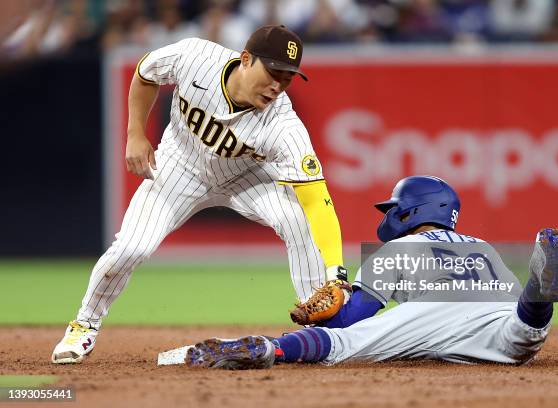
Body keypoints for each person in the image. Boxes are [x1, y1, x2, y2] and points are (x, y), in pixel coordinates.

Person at [52, 25, 347, 364]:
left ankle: (322, 334)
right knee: (132, 247)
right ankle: (83, 325)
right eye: (273, 72)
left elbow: (317, 200)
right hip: (180, 167)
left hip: (247, 178)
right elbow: (145, 73)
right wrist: (135, 133)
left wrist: (336, 272)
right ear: (246, 59)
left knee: (297, 218)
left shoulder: (283, 124)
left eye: (287, 78)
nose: (278, 85)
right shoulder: (196, 57)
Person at [180, 175, 558, 369]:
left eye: (395, 208)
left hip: (434, 315)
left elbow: (354, 317)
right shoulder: (483, 247)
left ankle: (272, 348)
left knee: (345, 345)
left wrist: (332, 311)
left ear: (415, 210)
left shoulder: (401, 248)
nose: (390, 216)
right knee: (522, 336)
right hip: (501, 317)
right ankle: (538, 299)